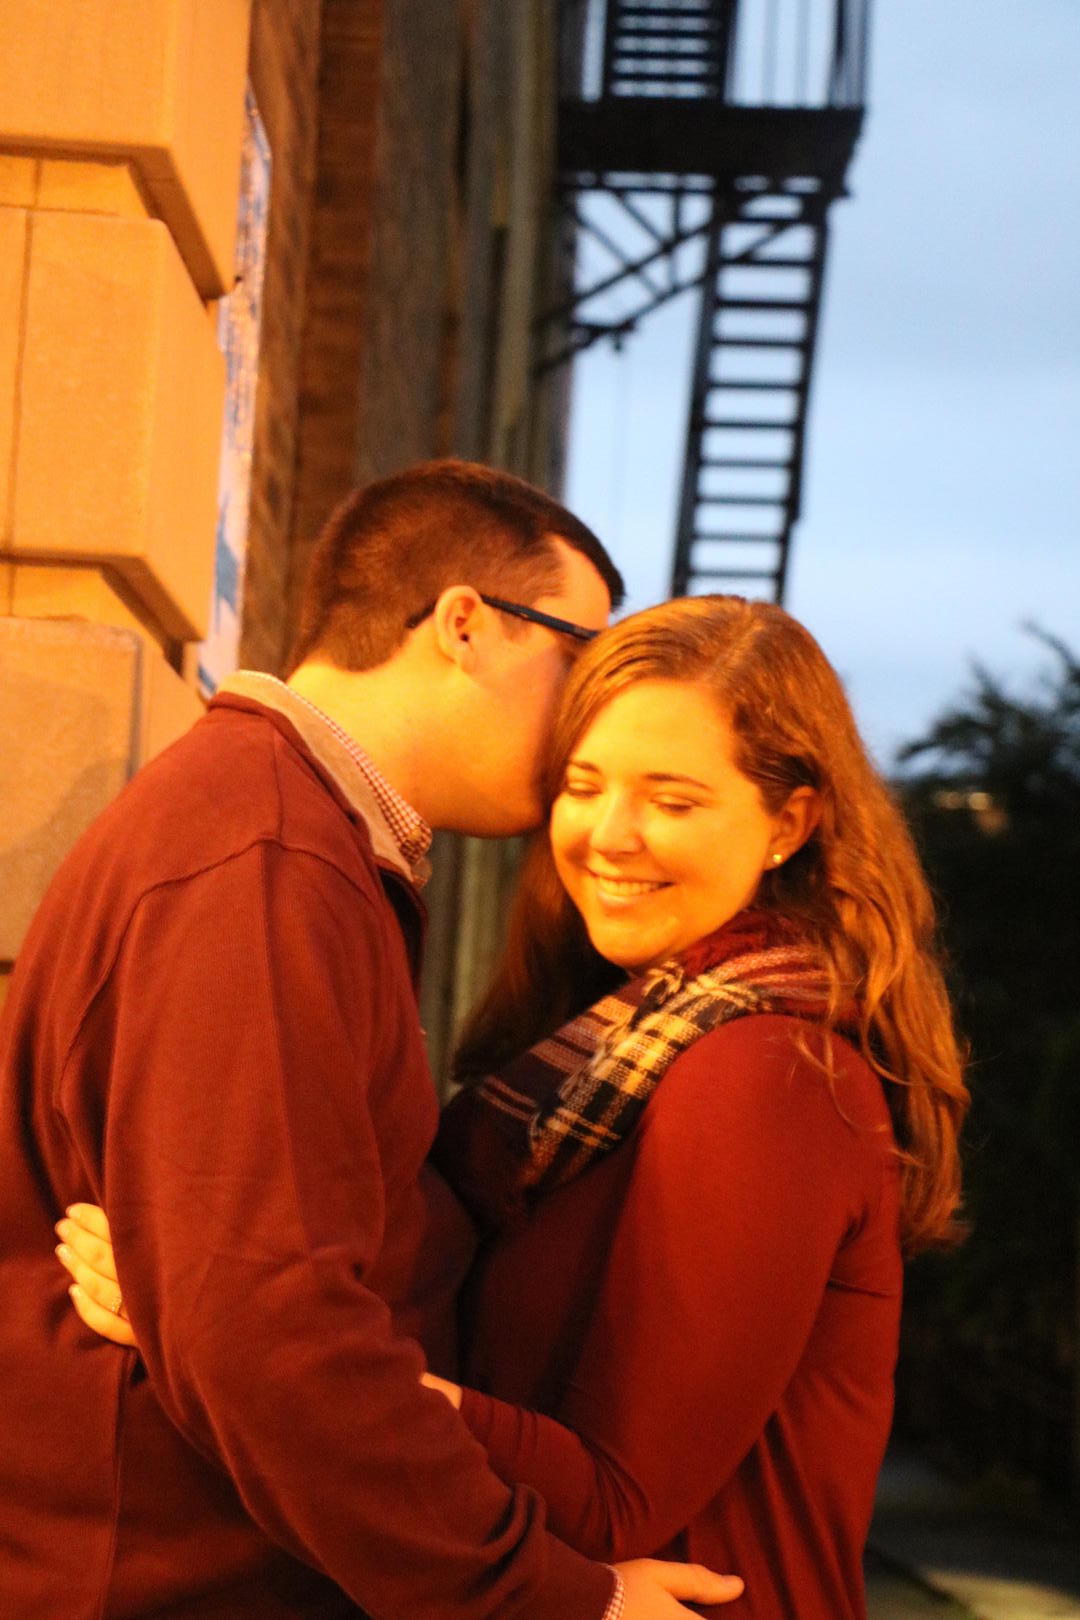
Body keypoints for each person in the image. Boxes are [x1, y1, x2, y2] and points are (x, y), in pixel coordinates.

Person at [57, 595, 970, 1619]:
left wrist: (234, 1344)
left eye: (672, 801)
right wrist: (221, 1303)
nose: (610, 836)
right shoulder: (608, 1045)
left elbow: (616, 1494)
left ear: (790, 821)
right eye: (583, 785)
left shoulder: (771, 1075)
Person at [0, 461, 744, 1620]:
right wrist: (558, 1600)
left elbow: (253, 1289)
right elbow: (266, 1328)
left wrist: (193, 1297)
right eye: (579, 662)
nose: (590, 715)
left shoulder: (296, 840)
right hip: (161, 1576)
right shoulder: (266, 862)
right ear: (466, 624)